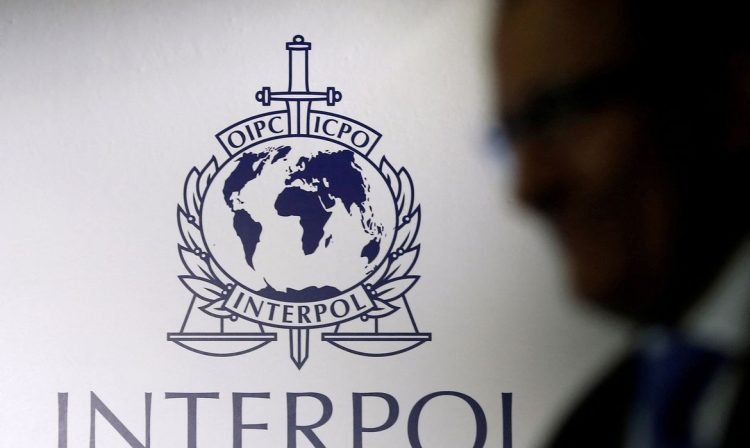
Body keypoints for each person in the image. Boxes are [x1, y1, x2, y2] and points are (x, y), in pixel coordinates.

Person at [495, 0, 750, 446]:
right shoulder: (586, 431)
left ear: (727, 96)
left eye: (560, 111)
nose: (529, 187)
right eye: (513, 134)